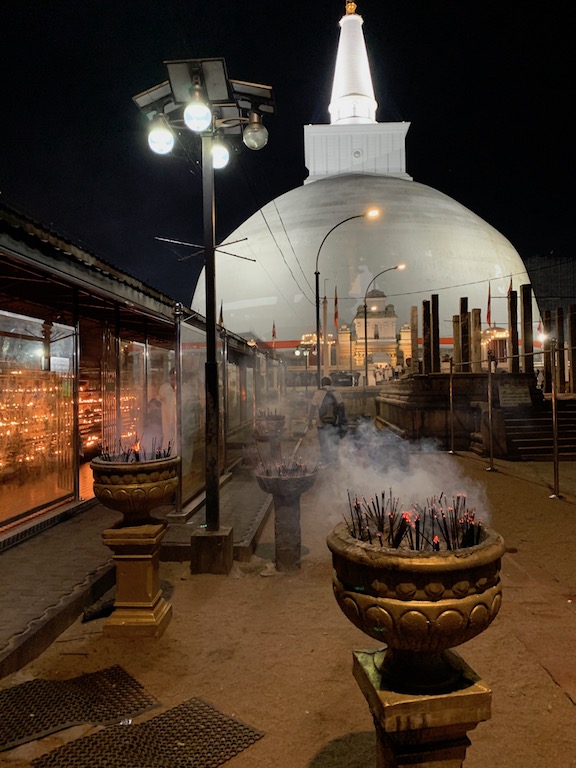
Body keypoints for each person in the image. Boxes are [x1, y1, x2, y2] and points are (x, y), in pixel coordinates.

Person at [308, 376, 347, 467]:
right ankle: (334, 461)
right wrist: (342, 424)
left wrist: (310, 421)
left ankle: (325, 461)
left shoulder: (318, 393)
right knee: (334, 441)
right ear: (330, 384)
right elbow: (342, 408)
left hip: (321, 423)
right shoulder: (336, 393)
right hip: (334, 422)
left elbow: (313, 408)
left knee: (323, 442)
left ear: (322, 384)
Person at [159, 367, 177, 454]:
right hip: (167, 424)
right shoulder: (165, 389)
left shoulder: (181, 390)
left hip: (177, 426)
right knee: (168, 443)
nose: (174, 380)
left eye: (176, 378)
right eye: (173, 378)